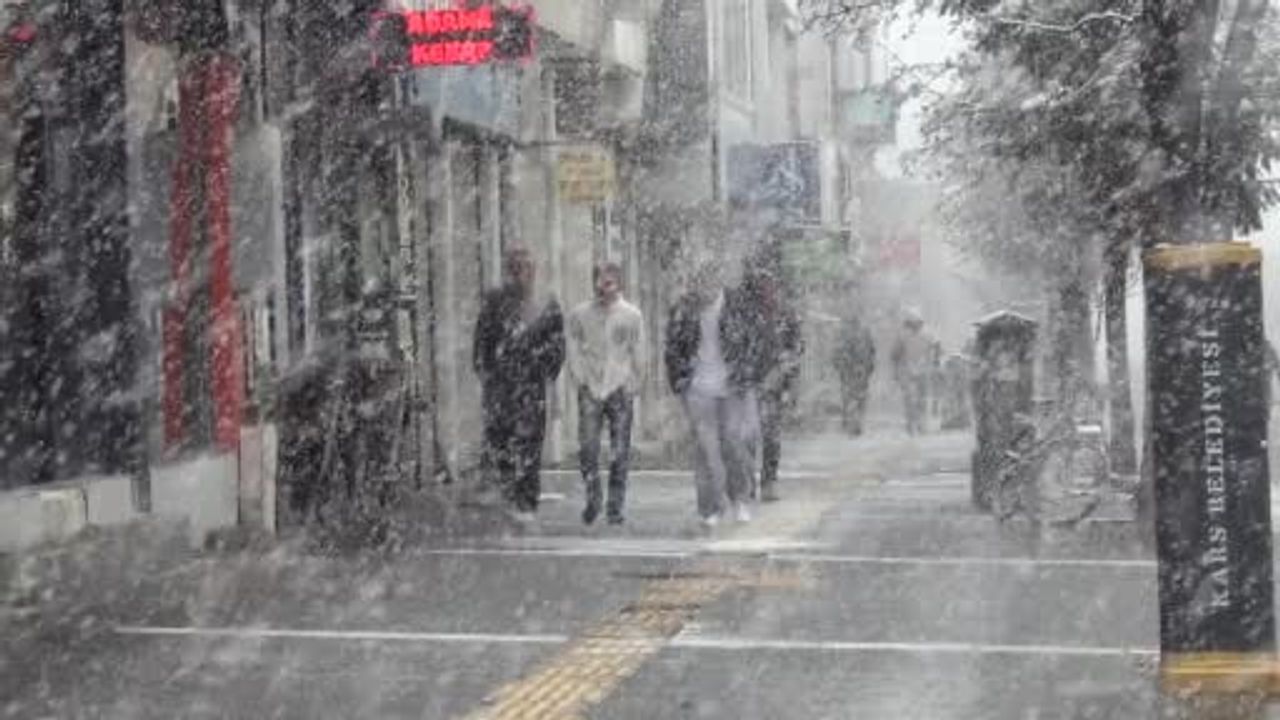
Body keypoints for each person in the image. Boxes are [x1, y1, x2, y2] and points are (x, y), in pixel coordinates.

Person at [473, 246, 565, 522]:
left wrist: (545, 370)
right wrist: (486, 373)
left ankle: (526, 500)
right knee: (499, 440)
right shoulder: (494, 302)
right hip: (501, 386)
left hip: (531, 386)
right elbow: (482, 342)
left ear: (533, 273)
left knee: (529, 444)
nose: (519, 274)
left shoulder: (547, 304)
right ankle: (509, 490)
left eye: (524, 268)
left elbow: (557, 344)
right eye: (513, 268)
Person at [665, 262, 760, 527]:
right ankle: (709, 508)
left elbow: (752, 344)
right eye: (701, 285)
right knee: (705, 450)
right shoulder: (684, 310)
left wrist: (744, 375)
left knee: (732, 443)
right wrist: (680, 384)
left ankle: (740, 499)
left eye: (710, 284)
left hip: (731, 388)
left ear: (718, 284)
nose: (705, 291)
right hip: (698, 388)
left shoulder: (737, 307)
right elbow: (672, 350)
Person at [566, 263, 646, 526]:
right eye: (600, 282)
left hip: (620, 387)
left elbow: (638, 350)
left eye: (609, 283)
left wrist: (633, 383)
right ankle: (593, 498)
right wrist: (580, 379)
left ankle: (615, 505)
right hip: (591, 386)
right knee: (588, 448)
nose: (604, 288)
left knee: (619, 451)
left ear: (619, 284)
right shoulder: (580, 314)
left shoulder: (631, 315)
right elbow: (574, 347)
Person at [748, 254, 803, 503]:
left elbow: (797, 347)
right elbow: (732, 344)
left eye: (769, 284)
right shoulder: (744, 313)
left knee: (770, 435)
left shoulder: (785, 314)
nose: (766, 290)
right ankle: (747, 481)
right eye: (761, 285)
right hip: (748, 382)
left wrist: (788, 375)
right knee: (746, 435)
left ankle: (768, 481)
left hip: (774, 382)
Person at [891, 312, 935, 436]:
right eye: (912, 323)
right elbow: (895, 354)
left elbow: (894, 355)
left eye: (916, 323)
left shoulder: (926, 335)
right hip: (911, 371)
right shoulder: (904, 335)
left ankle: (917, 424)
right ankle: (914, 424)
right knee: (912, 400)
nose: (915, 326)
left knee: (916, 399)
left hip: (918, 371)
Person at [834, 314, 876, 436]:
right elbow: (872, 351)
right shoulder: (862, 333)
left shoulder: (843, 335)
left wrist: (839, 365)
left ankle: (851, 422)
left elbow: (837, 353)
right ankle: (855, 422)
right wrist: (869, 366)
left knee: (850, 396)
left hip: (852, 370)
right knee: (857, 397)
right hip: (857, 369)